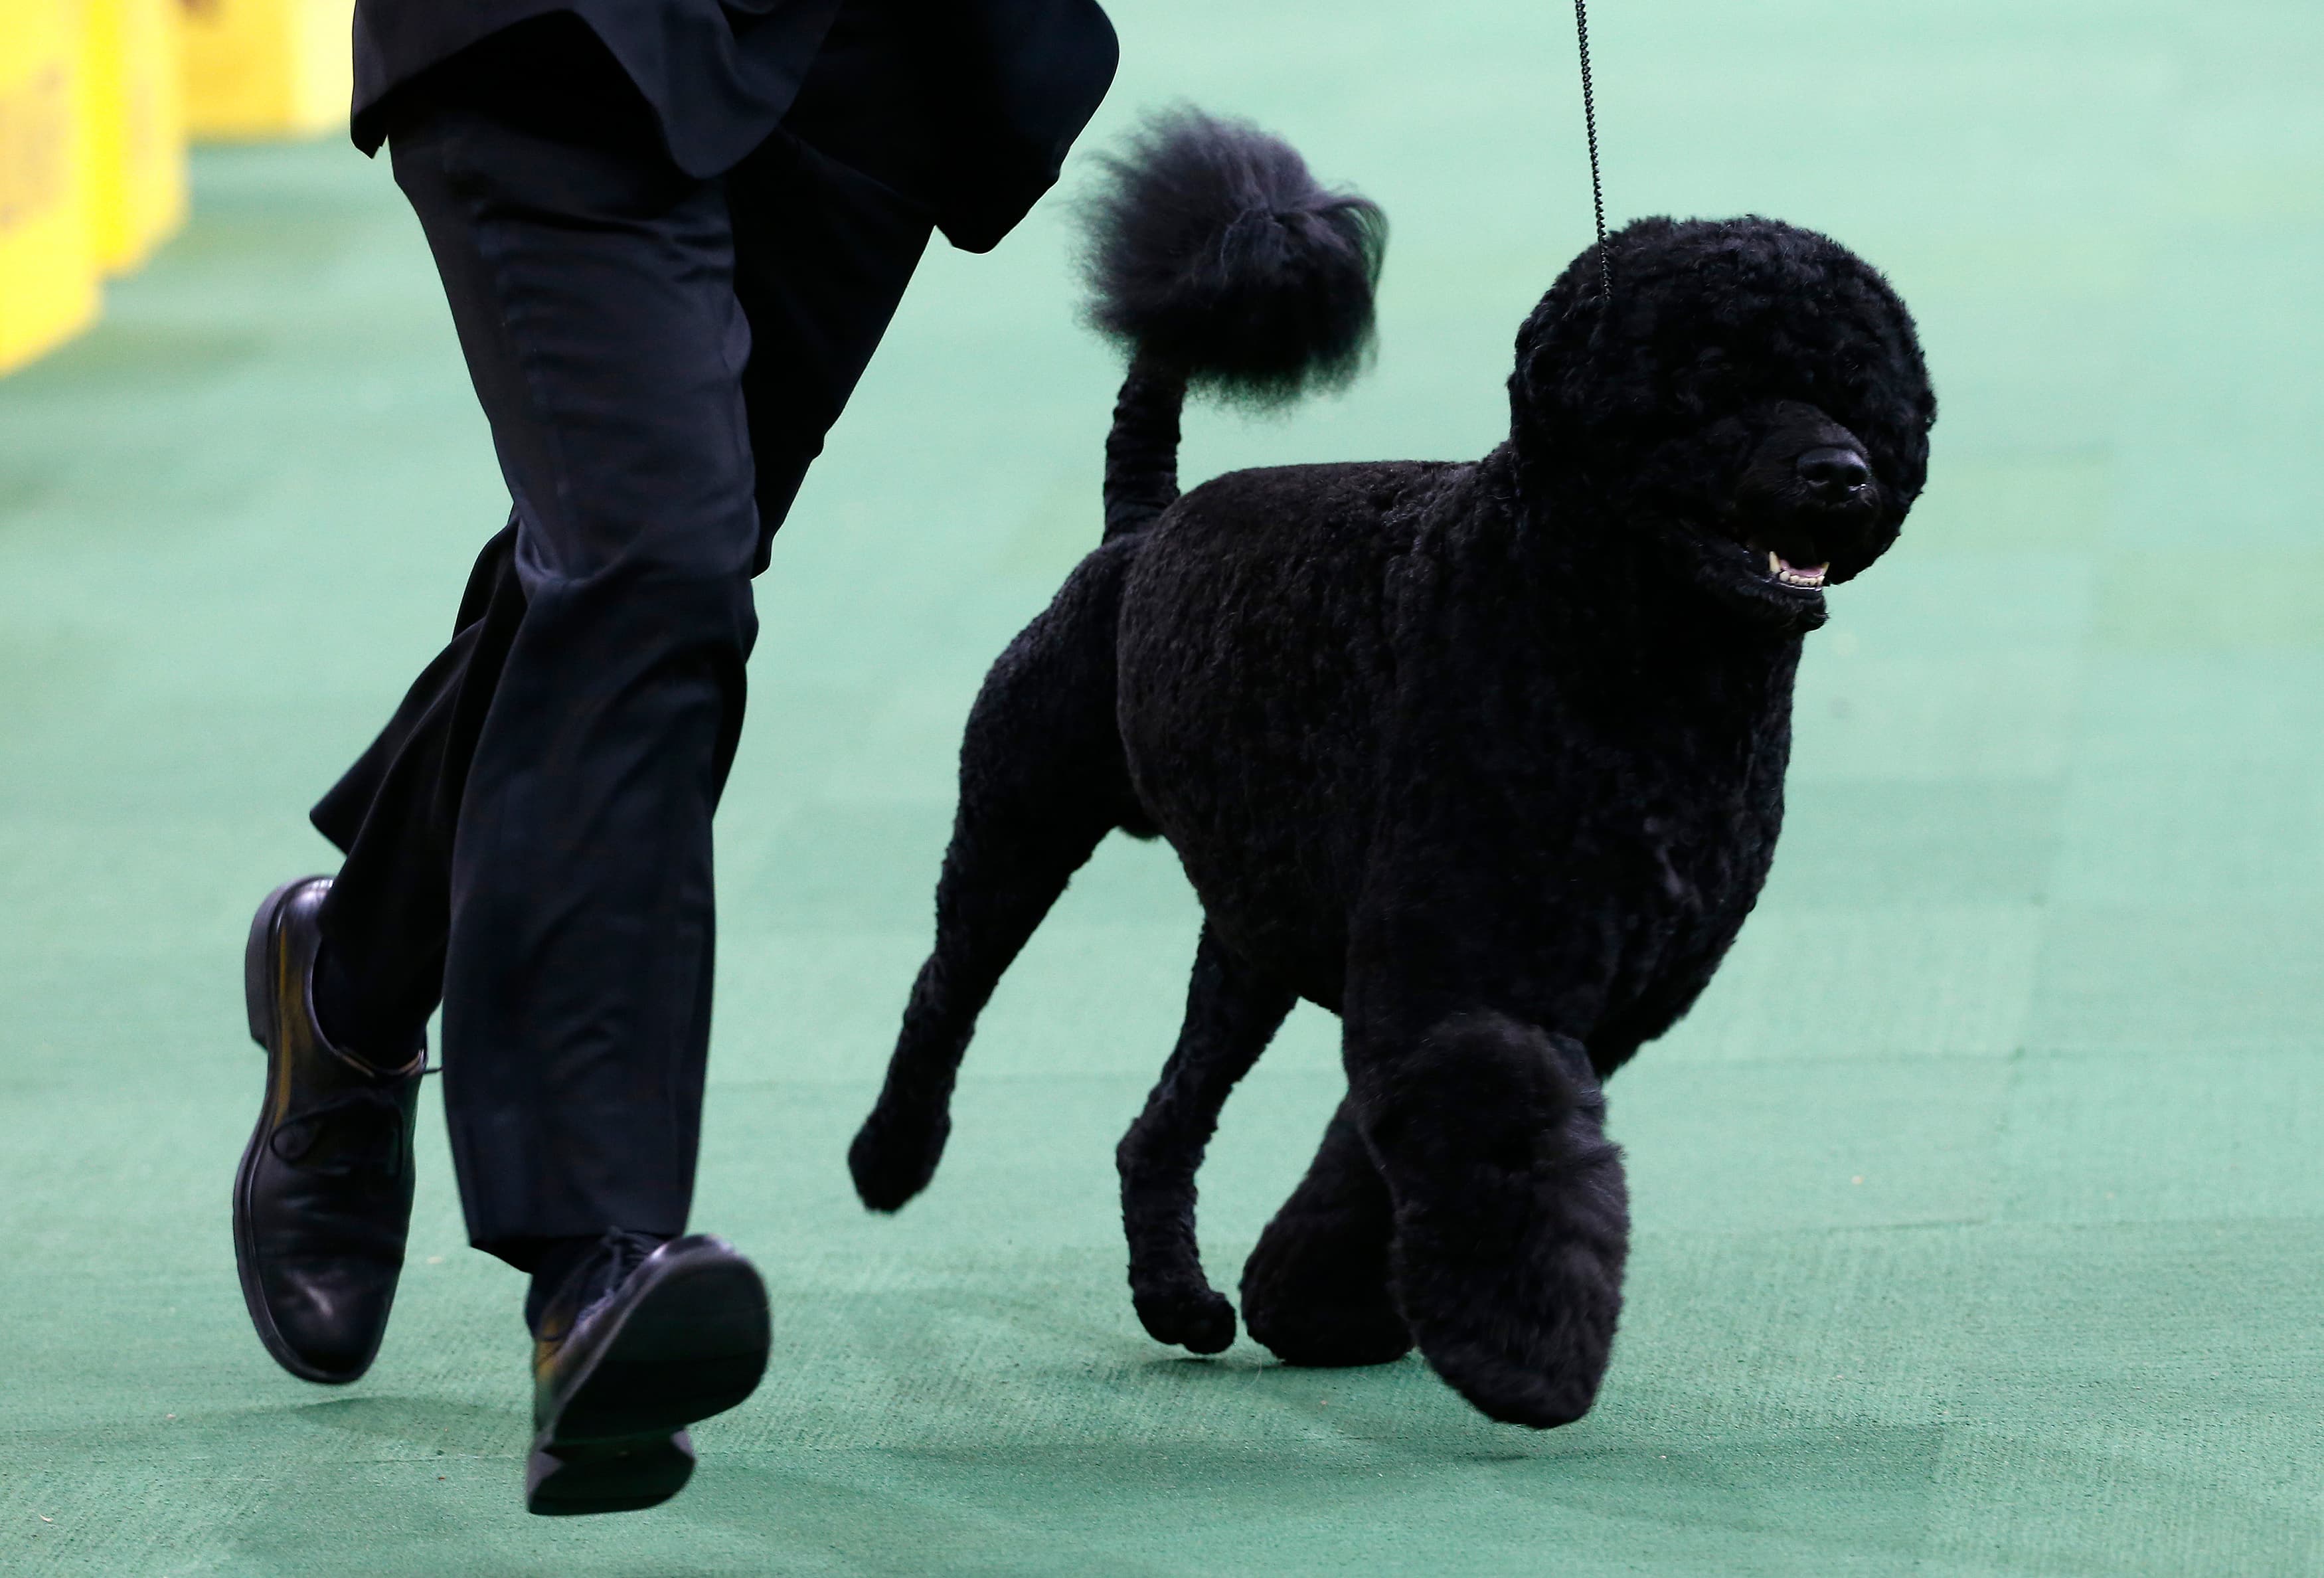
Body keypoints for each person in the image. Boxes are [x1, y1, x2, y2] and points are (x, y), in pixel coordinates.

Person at [229, 0, 1116, 1516]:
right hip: (562, 37)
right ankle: (598, 1269)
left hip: (869, 60)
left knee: (635, 563)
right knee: (652, 568)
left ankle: (352, 978)